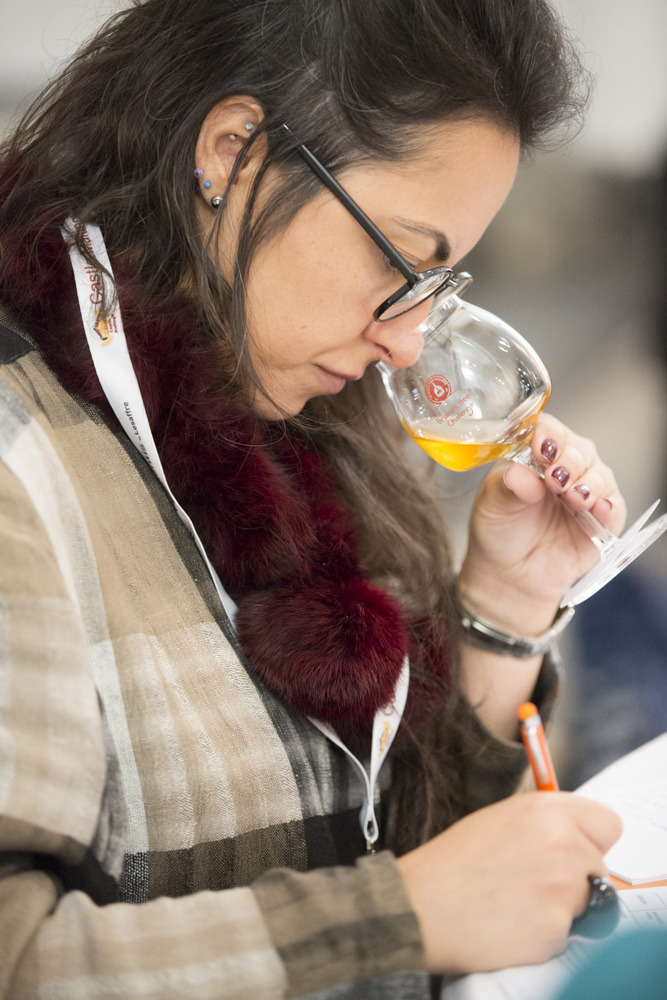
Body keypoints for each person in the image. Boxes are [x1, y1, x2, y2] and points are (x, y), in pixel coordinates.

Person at [0, 1, 623, 997]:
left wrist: (503, 612)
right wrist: (399, 920)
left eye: (436, 282)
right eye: (398, 260)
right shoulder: (21, 457)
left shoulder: (295, 423)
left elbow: (402, 847)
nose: (408, 340)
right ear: (234, 151)